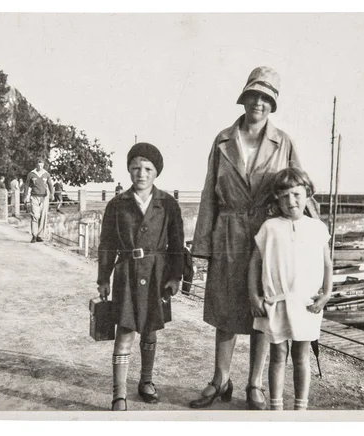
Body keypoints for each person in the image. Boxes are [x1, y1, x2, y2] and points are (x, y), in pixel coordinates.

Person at [189, 66, 319, 410]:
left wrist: (317, 240)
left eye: (266, 98)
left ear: (272, 104)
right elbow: (207, 195)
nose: (258, 103)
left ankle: (255, 384)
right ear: (244, 98)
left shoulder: (284, 141)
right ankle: (220, 380)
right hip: (228, 233)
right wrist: (200, 248)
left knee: (264, 310)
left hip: (269, 238)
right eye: (254, 96)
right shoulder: (222, 140)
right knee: (224, 311)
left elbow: (300, 187)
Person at [97, 142, 184, 411]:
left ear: (156, 172)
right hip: (126, 274)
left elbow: (177, 244)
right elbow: (106, 243)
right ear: (129, 170)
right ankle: (119, 394)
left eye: (147, 168)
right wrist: (103, 278)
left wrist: (175, 276)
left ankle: (146, 381)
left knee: (149, 330)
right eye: (135, 168)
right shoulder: (117, 204)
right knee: (125, 332)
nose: (141, 174)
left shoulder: (168, 204)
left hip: (157, 275)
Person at [248, 166, 332, 411]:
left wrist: (326, 294)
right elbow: (255, 263)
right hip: (276, 302)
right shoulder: (270, 227)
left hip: (307, 304)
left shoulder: (317, 228)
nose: (291, 201)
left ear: (307, 194)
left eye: (296, 194)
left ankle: (300, 409)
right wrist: (254, 297)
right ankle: (276, 408)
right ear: (277, 198)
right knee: (277, 355)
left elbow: (327, 263)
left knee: (301, 357)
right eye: (284, 196)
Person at [23, 158, 54, 243]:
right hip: (34, 197)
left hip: (44, 198)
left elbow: (50, 185)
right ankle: (34, 235)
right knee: (35, 215)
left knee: (43, 217)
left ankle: (39, 235)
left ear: (43, 165)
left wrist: (52, 194)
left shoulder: (46, 174)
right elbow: (26, 185)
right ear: (36, 165)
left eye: (41, 165)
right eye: (38, 165)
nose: (40, 167)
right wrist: (25, 196)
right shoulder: (31, 174)